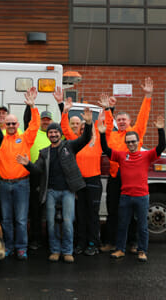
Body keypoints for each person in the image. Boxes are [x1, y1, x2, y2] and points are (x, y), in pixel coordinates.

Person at [17, 108, 93, 263]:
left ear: (60, 134)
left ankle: (67, 251)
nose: (53, 134)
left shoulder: (69, 146)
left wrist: (89, 123)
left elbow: (85, 139)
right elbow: (38, 170)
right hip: (50, 191)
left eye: (56, 132)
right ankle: (55, 250)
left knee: (67, 222)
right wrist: (28, 165)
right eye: (50, 133)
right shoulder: (44, 152)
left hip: (68, 191)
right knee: (51, 223)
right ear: (48, 135)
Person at [99, 115, 166, 262]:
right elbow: (106, 149)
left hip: (142, 197)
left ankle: (142, 251)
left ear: (138, 142)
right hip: (126, 197)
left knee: (142, 226)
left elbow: (161, 147)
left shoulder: (146, 155)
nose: (131, 144)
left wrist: (160, 130)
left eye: (133, 142)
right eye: (128, 142)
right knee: (122, 224)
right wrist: (102, 133)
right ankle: (120, 249)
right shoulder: (122, 156)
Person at [99, 77, 153, 253]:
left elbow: (143, 118)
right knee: (113, 212)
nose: (121, 121)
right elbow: (106, 127)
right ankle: (111, 242)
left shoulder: (135, 133)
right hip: (116, 177)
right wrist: (108, 110)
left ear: (129, 122)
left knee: (134, 215)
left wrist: (147, 96)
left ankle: (134, 243)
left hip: (132, 179)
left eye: (124, 119)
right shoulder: (112, 135)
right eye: (119, 119)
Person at [0, 87, 40, 260]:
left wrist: (32, 106)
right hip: (4, 184)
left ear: (18, 125)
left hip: (22, 183)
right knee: (6, 220)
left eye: (14, 123)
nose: (11, 126)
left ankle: (21, 248)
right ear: (4, 125)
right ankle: (8, 247)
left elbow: (35, 125)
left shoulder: (25, 138)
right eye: (8, 124)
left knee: (21, 220)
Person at [60, 96, 104, 256]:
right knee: (80, 214)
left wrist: (105, 110)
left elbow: (103, 124)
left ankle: (93, 243)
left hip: (93, 181)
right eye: (82, 127)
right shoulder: (75, 141)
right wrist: (65, 111)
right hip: (79, 182)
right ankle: (81, 243)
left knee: (93, 214)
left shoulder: (98, 140)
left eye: (87, 127)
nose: (84, 129)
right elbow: (65, 128)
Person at [26, 109, 53, 250]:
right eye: (44, 119)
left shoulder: (55, 134)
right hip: (35, 175)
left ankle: (50, 240)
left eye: (48, 119)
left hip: (50, 176)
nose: (46, 121)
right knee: (35, 210)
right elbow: (27, 121)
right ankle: (35, 239)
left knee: (50, 210)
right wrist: (30, 107)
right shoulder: (34, 132)